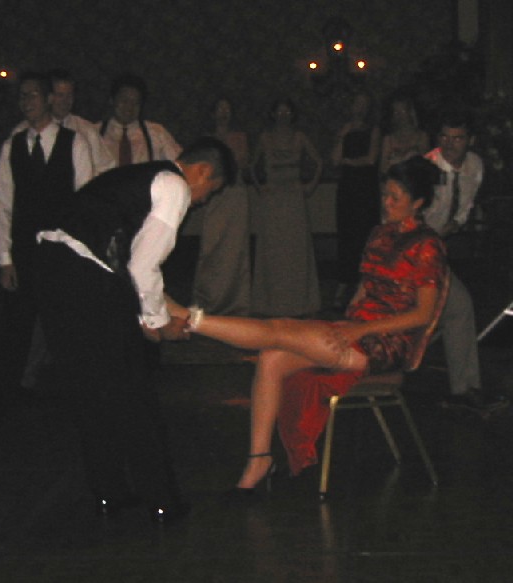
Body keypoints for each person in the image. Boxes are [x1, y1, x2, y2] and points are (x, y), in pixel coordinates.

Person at [177, 156, 447, 493]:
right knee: (271, 357)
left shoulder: (427, 245)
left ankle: (192, 320)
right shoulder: (380, 234)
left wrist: (359, 330)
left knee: (279, 329)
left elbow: (423, 315)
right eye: (385, 194)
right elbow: (365, 289)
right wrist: (347, 322)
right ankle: (259, 460)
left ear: (417, 203)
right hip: (357, 330)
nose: (386, 202)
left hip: (386, 343)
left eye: (395, 197)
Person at [34, 137, 236, 523]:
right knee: (132, 392)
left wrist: (155, 313)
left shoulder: (136, 177)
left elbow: (131, 262)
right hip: (86, 277)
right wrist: (159, 326)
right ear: (203, 172)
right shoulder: (174, 184)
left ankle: (109, 492)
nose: (203, 201)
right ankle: (162, 500)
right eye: (211, 191)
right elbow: (143, 266)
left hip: (51, 268)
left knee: (92, 393)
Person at [0, 71, 93, 419]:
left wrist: (80, 257)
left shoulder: (74, 142)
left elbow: (84, 203)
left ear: (48, 99)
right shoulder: (13, 145)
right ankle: (7, 396)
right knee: (16, 325)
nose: (26, 102)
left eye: (32, 95)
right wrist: (5, 259)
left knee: (64, 324)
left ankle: (74, 396)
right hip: (25, 250)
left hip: (62, 251)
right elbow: (3, 205)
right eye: (22, 96)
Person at [424, 109, 509, 413]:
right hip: (417, 249)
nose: (450, 144)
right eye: (445, 137)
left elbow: (465, 205)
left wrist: (456, 224)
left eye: (457, 138)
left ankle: (464, 389)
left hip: (441, 245)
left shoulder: (474, 165)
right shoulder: (426, 168)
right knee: (453, 309)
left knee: (457, 309)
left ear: (470, 140)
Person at [250, 98, 323, 317]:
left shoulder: (299, 137)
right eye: (279, 112)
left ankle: (299, 302)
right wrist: (260, 187)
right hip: (272, 199)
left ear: (292, 114)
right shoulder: (265, 138)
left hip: (294, 198)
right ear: (273, 115)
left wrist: (310, 186)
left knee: (296, 248)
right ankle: (271, 302)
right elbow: (252, 166)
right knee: (273, 248)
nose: (283, 116)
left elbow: (319, 162)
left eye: (287, 112)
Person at [192, 96, 251, 315]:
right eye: (220, 108)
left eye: (227, 109)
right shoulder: (206, 139)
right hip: (214, 194)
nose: (224, 113)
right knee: (211, 246)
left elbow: (242, 163)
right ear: (213, 113)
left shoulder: (239, 137)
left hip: (235, 193)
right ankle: (208, 300)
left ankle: (235, 302)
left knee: (235, 249)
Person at [330, 90, 381, 309]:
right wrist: (342, 136)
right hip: (347, 188)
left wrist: (349, 162)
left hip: (366, 188)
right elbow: (334, 160)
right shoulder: (346, 129)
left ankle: (365, 287)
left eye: (364, 103)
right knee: (346, 236)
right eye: (357, 103)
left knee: (365, 235)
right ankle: (343, 285)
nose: (360, 108)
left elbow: (370, 159)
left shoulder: (373, 130)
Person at [97, 73, 181, 166]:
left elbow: (180, 165)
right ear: (112, 100)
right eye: (124, 100)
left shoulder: (157, 133)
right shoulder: (94, 133)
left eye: (135, 102)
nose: (129, 107)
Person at [380, 95, 429, 175]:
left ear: (410, 113)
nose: (399, 115)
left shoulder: (422, 137)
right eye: (396, 112)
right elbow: (383, 168)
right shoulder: (388, 139)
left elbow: (426, 165)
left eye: (403, 111)